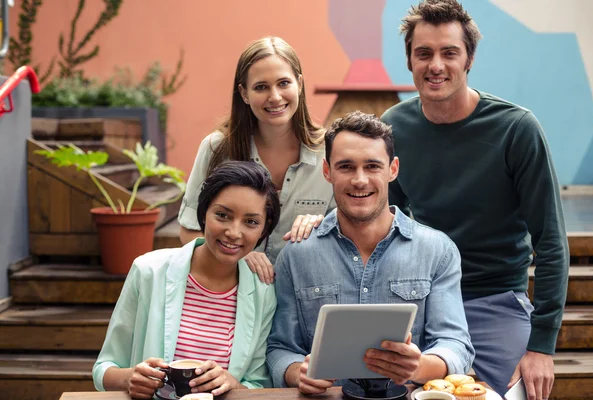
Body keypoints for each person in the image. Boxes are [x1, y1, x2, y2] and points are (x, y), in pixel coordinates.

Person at [381, 1, 569, 398]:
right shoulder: (394, 127)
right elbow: (381, 219)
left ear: (469, 60)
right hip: (424, 302)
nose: (436, 65)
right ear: (410, 61)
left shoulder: (516, 129)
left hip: (496, 298)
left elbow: (551, 242)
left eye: (449, 52)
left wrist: (542, 346)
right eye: (423, 53)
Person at [266, 111, 474, 394]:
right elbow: (280, 349)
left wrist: (420, 366)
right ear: (327, 171)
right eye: (346, 167)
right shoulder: (297, 254)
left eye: (373, 166)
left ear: (393, 169)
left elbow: (456, 345)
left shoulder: (437, 251)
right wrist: (296, 373)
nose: (360, 180)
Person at [93, 161, 281, 399]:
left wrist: (231, 383)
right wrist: (129, 378)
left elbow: (258, 385)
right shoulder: (148, 271)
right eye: (222, 215)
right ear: (203, 214)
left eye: (251, 222)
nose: (234, 232)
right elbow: (103, 369)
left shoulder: (263, 291)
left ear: (264, 230)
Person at [179, 36, 335, 283]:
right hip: (235, 294)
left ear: (300, 84)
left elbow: (348, 233)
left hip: (304, 296)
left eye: (284, 83)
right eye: (261, 87)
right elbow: (189, 230)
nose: (275, 97)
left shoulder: (331, 151)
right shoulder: (216, 149)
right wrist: (239, 256)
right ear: (244, 93)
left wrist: (324, 225)